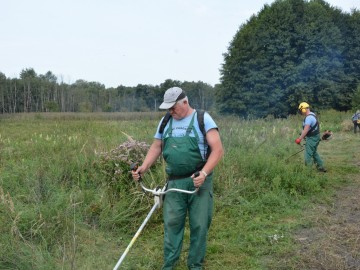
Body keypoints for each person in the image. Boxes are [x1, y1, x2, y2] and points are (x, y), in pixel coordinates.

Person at [131, 87, 224, 270]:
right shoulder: (166, 121)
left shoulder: (203, 118)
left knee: (199, 225)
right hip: (174, 182)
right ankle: (169, 265)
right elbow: (157, 146)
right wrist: (144, 167)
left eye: (174, 108)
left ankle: (195, 266)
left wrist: (204, 173)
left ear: (185, 102)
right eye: (168, 109)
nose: (171, 112)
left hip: (199, 182)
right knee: (172, 224)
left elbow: (218, 150)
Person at [295, 102, 326, 172]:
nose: (301, 112)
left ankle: (308, 171)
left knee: (308, 155)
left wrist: (299, 139)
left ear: (303, 109)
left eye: (301, 110)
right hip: (315, 137)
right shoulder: (312, 114)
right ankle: (321, 166)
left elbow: (306, 130)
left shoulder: (309, 118)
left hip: (312, 138)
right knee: (314, 152)